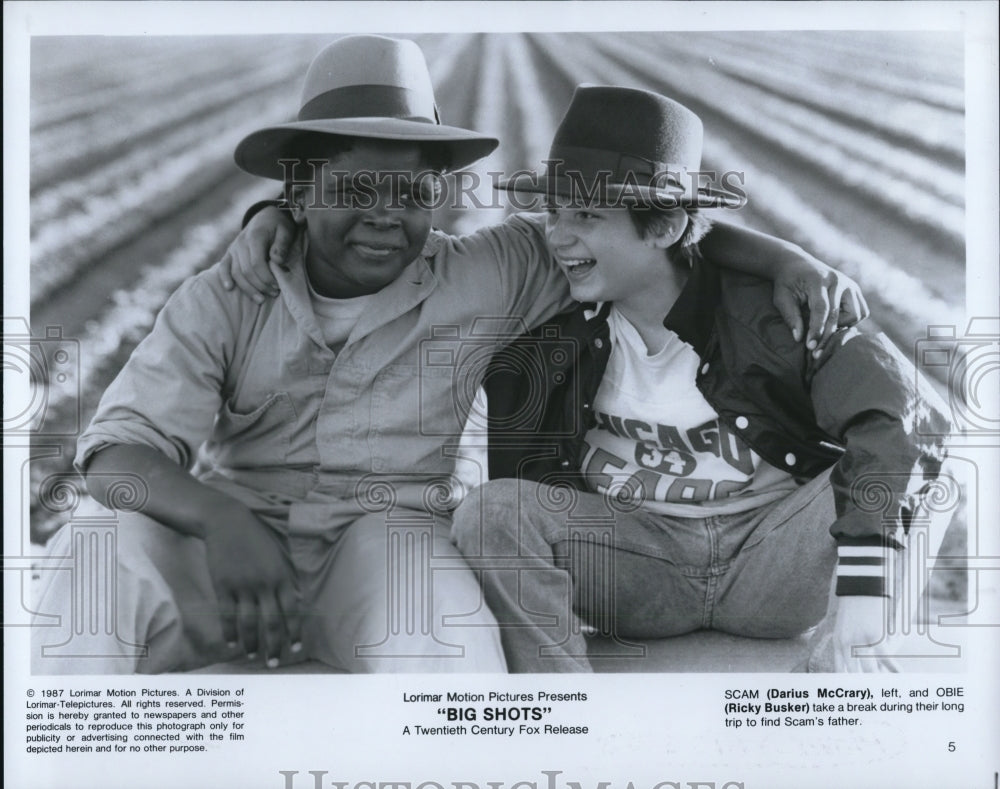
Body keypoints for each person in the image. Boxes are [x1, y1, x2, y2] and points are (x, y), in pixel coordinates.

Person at [33, 36, 865, 675]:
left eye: (414, 191)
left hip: (382, 538)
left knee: (450, 655)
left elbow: (642, 229)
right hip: (230, 554)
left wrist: (784, 260)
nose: (386, 215)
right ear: (298, 188)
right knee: (94, 553)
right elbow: (114, 455)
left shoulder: (491, 271)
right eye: (355, 188)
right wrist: (220, 519)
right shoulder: (226, 294)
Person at [447, 86, 951, 672]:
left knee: (921, 474)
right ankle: (560, 710)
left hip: (772, 564)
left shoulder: (775, 309)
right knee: (491, 510)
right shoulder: (542, 316)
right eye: (554, 213)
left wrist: (865, 594)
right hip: (633, 564)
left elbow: (911, 416)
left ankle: (849, 663)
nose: (557, 236)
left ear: (662, 229)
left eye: (586, 214)